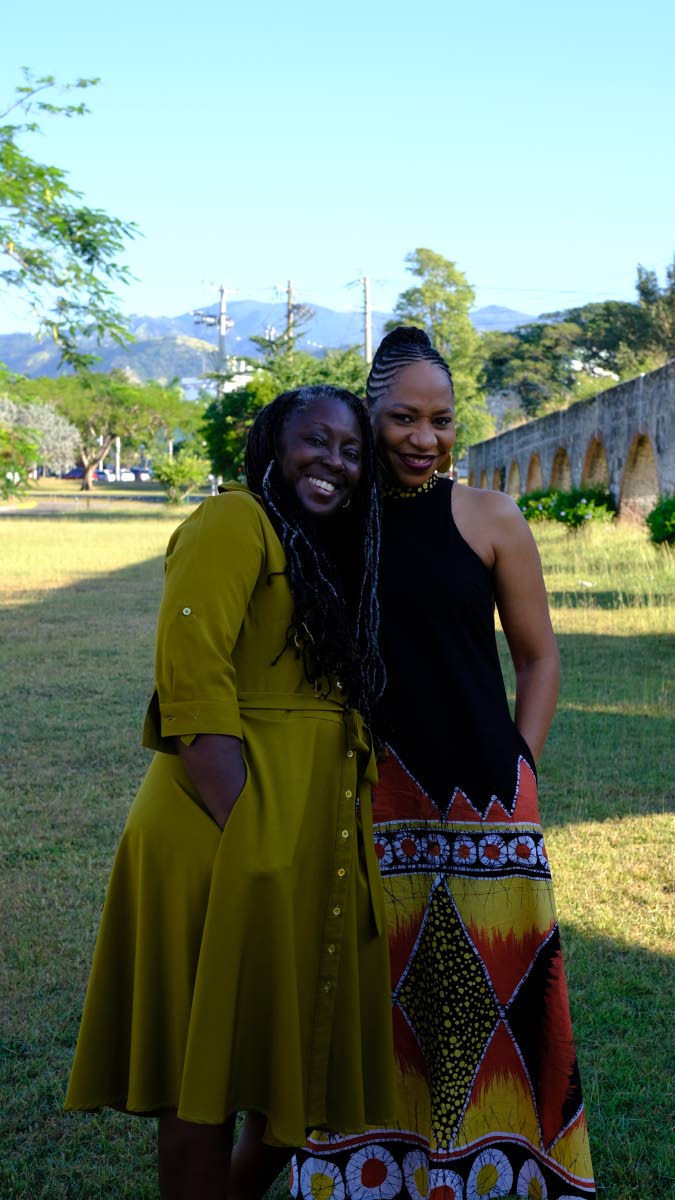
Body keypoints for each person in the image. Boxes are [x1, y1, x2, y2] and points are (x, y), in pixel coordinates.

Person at [65, 385, 397, 1200]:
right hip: (223, 827)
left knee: (290, 1061)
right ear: (271, 447)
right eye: (315, 441)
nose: (334, 463)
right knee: (199, 1072)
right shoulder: (233, 521)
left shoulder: (330, 551)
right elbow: (192, 676)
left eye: (352, 450)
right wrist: (247, 827)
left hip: (308, 828)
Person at [294, 329, 595, 1200]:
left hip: (485, 808)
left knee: (493, 1007)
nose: (423, 437)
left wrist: (520, 765)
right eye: (402, 418)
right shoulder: (334, 518)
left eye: (440, 419)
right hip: (367, 801)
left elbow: (538, 657)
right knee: (375, 1004)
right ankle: (372, 1176)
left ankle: (498, 1177)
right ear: (368, 414)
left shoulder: (492, 518)